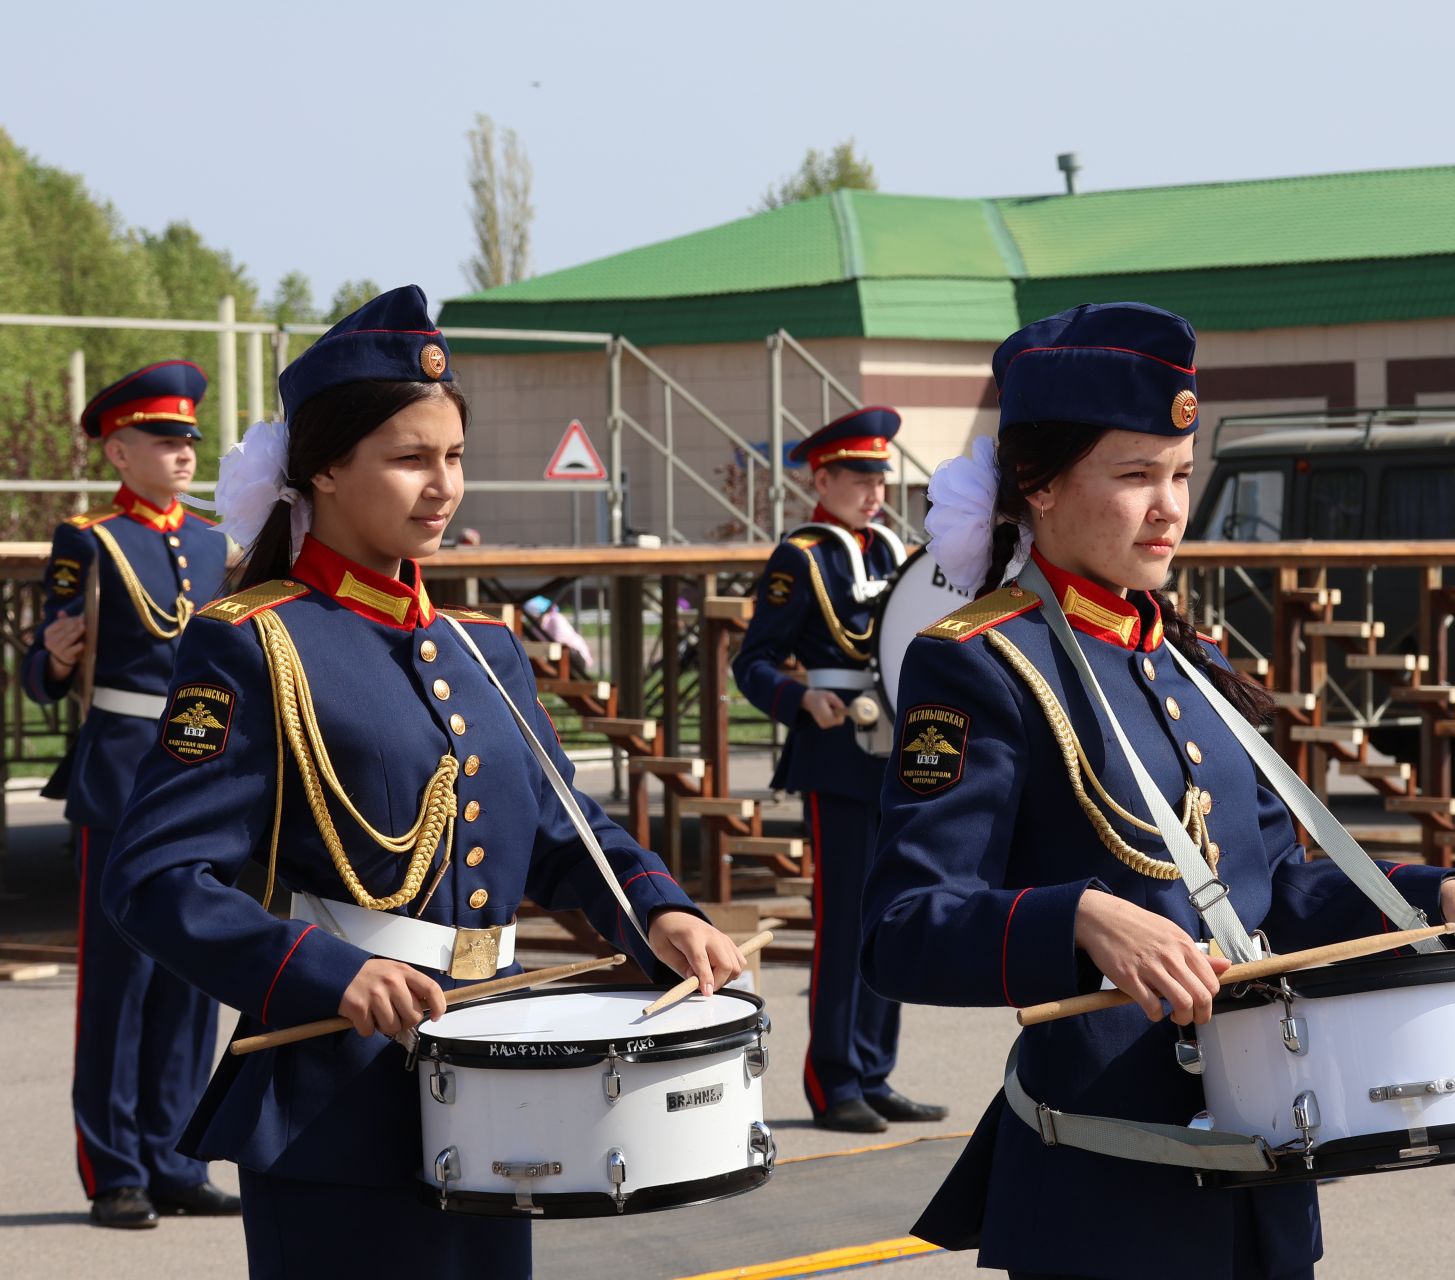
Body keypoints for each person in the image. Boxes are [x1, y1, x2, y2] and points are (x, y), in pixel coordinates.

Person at [861, 302, 1455, 1278]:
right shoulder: (979, 664)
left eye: (1179, 475)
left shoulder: (1194, 661)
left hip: (1262, 1183)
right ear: (1038, 486)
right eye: (1135, 476)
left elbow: (1283, 893)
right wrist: (1080, 918)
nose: (1171, 506)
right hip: (1106, 1196)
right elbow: (904, 926)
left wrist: (1431, 898)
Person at [101, 287, 744, 1277]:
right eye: (410, 459)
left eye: (452, 457)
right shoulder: (253, 641)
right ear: (323, 465)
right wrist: (329, 970)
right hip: (334, 1104)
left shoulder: (482, 648)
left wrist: (654, 909)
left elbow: (566, 829)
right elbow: (154, 879)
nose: (442, 486)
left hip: (499, 1088)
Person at [20, 360, 238, 1229]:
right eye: (163, 439)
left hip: (201, 777)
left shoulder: (219, 542)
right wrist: (58, 658)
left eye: (189, 439)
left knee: (195, 977)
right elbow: (42, 671)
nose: (183, 453)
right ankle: (116, 1169)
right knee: (121, 982)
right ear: (119, 447)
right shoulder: (91, 541)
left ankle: (177, 1157)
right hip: (119, 774)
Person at [732, 407, 946, 1133]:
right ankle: (834, 1082)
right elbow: (752, 660)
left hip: (901, 750)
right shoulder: (802, 557)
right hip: (836, 753)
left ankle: (874, 1071)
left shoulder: (895, 550)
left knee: (894, 913)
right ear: (820, 478)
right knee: (844, 920)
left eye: (880, 476)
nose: (875, 490)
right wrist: (800, 698)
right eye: (859, 477)